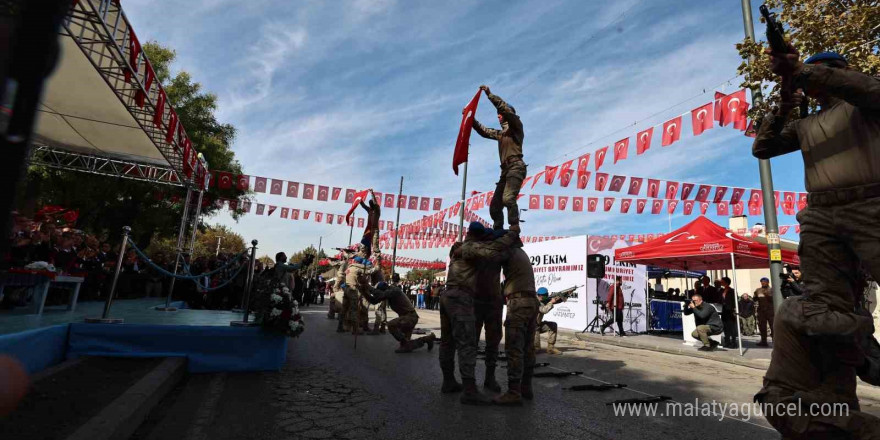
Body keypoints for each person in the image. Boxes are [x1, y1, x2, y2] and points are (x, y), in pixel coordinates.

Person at [752, 46, 880, 439]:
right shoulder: (807, 123)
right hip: (821, 213)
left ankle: (862, 352)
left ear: (836, 72)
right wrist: (786, 98)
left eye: (819, 75)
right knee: (823, 307)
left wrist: (800, 72)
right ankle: (855, 361)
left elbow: (866, 88)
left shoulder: (863, 103)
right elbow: (763, 146)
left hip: (869, 204)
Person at [441, 222, 517, 405]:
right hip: (469, 299)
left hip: (490, 300)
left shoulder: (469, 247)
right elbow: (493, 251)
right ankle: (468, 389)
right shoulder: (473, 248)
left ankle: (480, 379)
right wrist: (510, 235)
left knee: (490, 341)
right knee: (467, 343)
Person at [472, 85, 526, 233]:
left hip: (516, 167)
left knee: (508, 198)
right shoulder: (501, 134)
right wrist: (471, 119)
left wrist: (490, 95)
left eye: (499, 113)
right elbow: (484, 131)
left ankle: (514, 228)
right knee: (495, 206)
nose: (498, 116)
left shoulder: (516, 127)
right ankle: (498, 232)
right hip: (505, 171)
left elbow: (504, 109)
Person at [494, 229, 537, 405]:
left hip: (518, 303)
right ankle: (526, 387)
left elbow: (490, 256)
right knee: (527, 348)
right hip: (530, 302)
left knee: (514, 348)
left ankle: (514, 392)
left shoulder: (509, 252)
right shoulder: (521, 253)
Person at [362, 274, 434, 353]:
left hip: (410, 317)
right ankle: (428, 339)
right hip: (408, 317)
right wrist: (363, 291)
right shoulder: (388, 293)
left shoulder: (394, 291)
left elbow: (379, 294)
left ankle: (407, 343)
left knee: (391, 325)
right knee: (407, 346)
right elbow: (374, 300)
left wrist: (367, 286)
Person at [534, 288, 562, 355]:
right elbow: (544, 310)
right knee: (536, 349)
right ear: (541, 296)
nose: (547, 296)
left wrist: (563, 297)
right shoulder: (534, 301)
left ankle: (550, 348)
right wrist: (551, 302)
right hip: (531, 328)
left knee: (553, 325)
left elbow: (553, 301)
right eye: (546, 295)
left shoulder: (543, 300)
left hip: (538, 326)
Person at [753, 277, 774, 347]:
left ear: (768, 282)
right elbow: (755, 299)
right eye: (762, 282)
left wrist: (767, 295)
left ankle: (775, 341)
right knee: (762, 326)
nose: (763, 283)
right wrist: (755, 295)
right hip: (761, 310)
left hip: (770, 310)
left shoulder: (772, 290)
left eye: (765, 281)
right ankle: (763, 341)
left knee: (773, 326)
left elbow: (773, 300)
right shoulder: (758, 290)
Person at [359, 191, 381, 257]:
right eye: (370, 204)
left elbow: (375, 202)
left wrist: (372, 194)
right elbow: (363, 205)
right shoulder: (369, 210)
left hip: (375, 230)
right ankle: (364, 256)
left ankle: (378, 262)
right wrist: (359, 197)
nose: (370, 204)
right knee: (364, 243)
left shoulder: (377, 210)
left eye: (371, 204)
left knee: (375, 247)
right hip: (369, 229)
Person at [719, 277, 738, 349]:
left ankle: (734, 342)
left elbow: (734, 301)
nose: (721, 282)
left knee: (732, 327)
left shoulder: (732, 291)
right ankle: (727, 341)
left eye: (722, 281)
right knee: (725, 327)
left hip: (730, 311)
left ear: (726, 282)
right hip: (723, 311)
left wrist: (734, 309)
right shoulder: (721, 290)